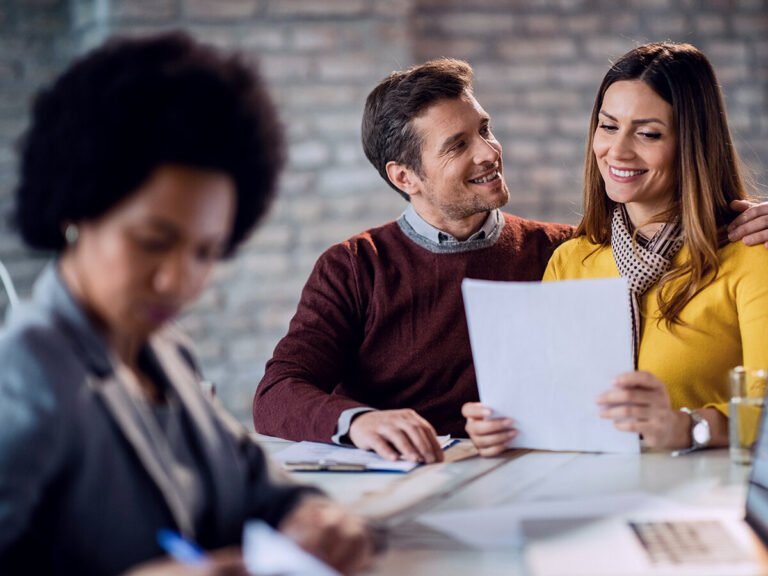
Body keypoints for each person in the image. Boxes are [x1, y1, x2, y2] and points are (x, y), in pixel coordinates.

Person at [0, 32, 371, 575]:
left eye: (206, 252)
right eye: (152, 242)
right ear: (74, 211)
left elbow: (255, 486)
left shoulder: (166, 353)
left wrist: (313, 516)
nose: (179, 279)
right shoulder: (26, 371)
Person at [464, 42, 768, 457]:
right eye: (608, 127)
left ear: (692, 144)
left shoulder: (751, 253)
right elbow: (555, 402)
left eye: (648, 133)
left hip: (705, 497)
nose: (618, 151)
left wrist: (687, 427)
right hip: (590, 490)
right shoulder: (573, 260)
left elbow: (764, 408)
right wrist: (507, 425)